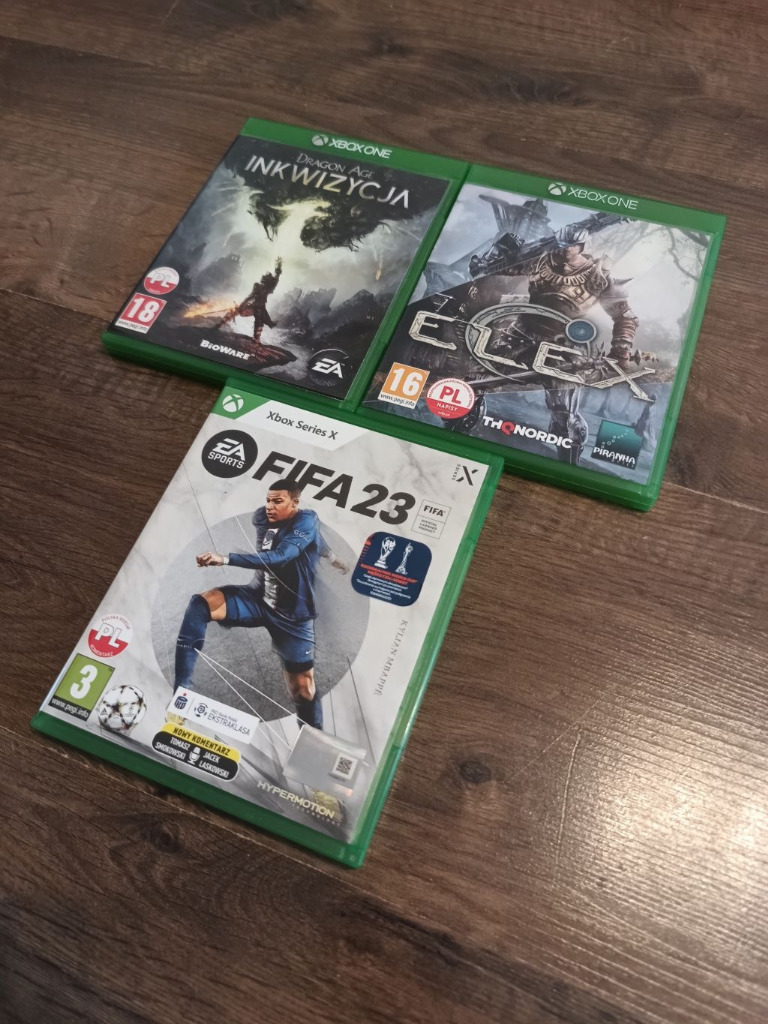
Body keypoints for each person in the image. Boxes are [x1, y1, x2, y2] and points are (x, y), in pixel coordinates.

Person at [173, 481, 348, 730]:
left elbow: (281, 556)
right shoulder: (262, 519)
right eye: (268, 500)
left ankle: (313, 740)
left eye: (277, 501)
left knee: (302, 690)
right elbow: (311, 539)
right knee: (201, 604)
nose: (269, 506)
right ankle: (181, 695)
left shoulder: (306, 520)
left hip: (293, 618)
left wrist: (225, 559)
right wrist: (331, 557)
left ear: (295, 503)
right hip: (258, 599)